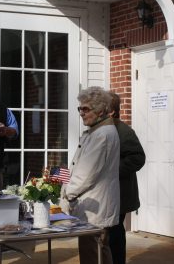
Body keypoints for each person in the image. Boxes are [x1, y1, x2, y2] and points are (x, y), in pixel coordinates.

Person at [60, 86, 120, 264]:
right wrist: (62, 181)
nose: (81, 113)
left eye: (86, 109)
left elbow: (86, 173)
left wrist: (66, 194)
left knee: (95, 254)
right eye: (80, 108)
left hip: (96, 207)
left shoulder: (102, 134)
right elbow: (78, 168)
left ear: (100, 110)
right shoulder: (95, 132)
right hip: (90, 205)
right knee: (92, 252)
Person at [108, 92, 145, 264]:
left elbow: (138, 158)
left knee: (115, 231)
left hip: (120, 193)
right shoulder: (103, 129)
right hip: (108, 193)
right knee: (108, 233)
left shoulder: (124, 131)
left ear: (111, 111)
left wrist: (112, 171)